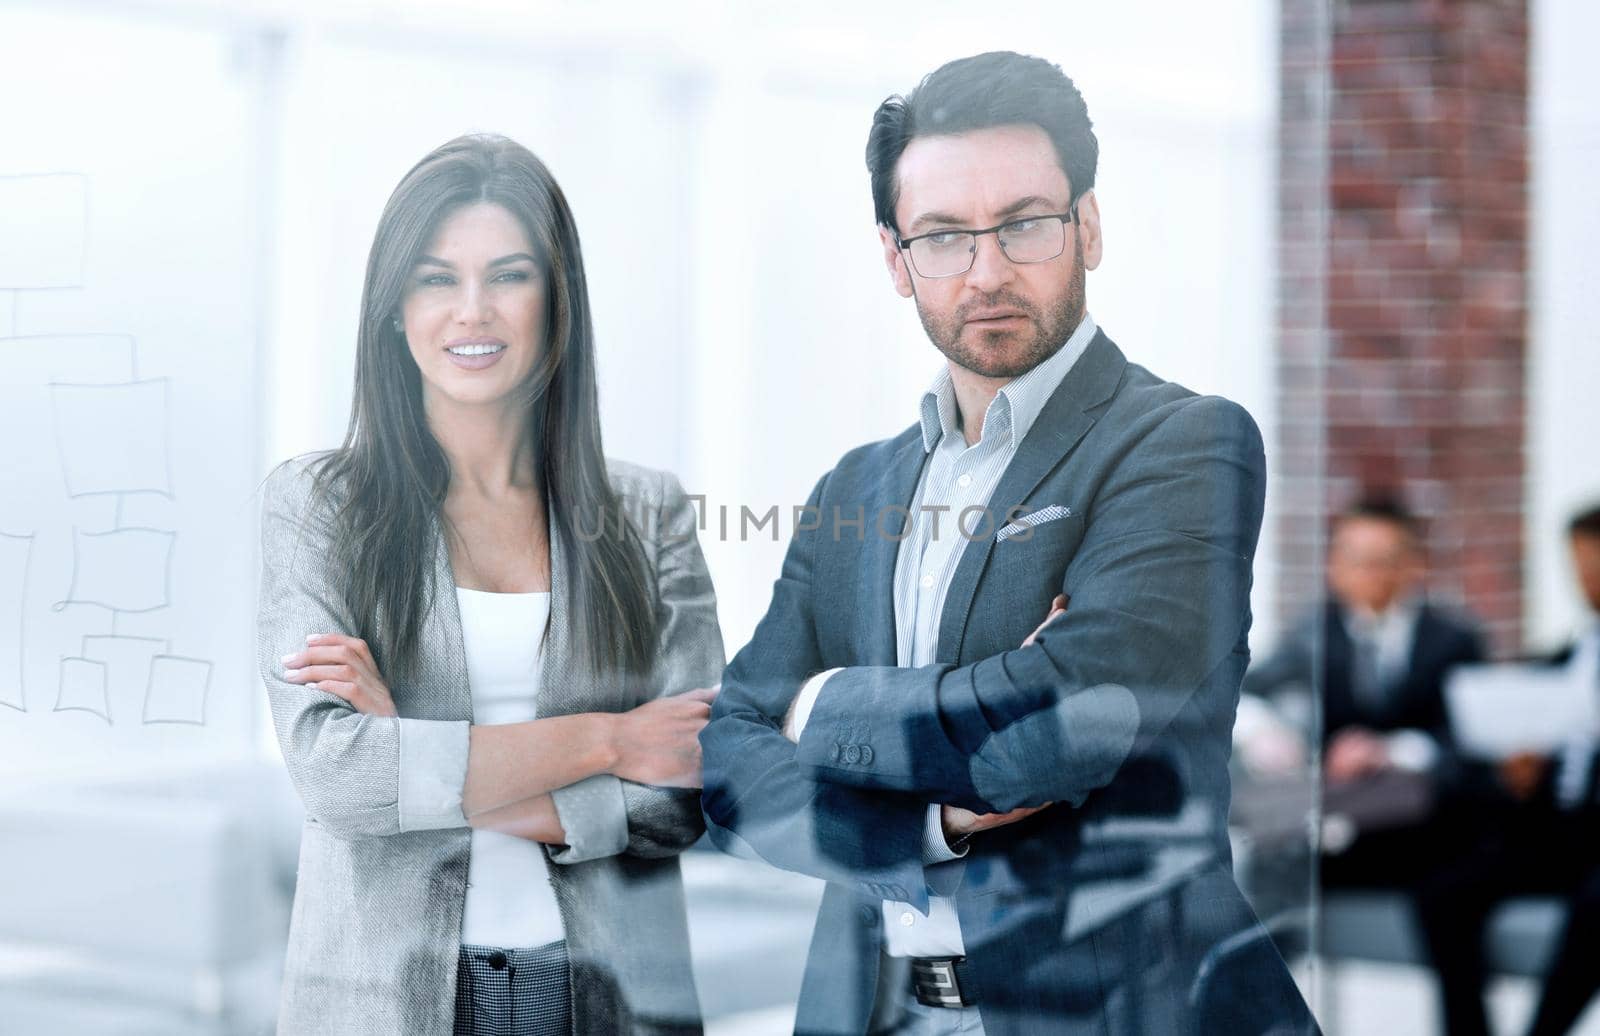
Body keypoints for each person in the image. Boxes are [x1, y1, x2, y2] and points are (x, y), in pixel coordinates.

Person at [699, 52, 1315, 1035]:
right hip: (872, 1009)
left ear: (1089, 227)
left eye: (1024, 223)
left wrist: (813, 706)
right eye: (942, 236)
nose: (986, 272)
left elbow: (1067, 725)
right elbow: (724, 754)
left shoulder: (1186, 445)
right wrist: (922, 821)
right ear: (897, 261)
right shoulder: (853, 486)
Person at [257, 134, 722, 1036]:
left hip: (607, 997)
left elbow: (686, 792)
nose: (473, 312)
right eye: (436, 279)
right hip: (380, 1002)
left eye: (508, 276)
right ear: (394, 306)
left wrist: (409, 749)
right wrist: (610, 738)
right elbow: (338, 780)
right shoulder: (316, 506)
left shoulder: (645, 511)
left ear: (557, 300)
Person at [1415, 502, 1600, 1036]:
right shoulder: (1573, 654)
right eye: (1579, 565)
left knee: (1597, 907)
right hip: (1562, 831)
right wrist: (1523, 767)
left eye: (1595, 564)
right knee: (1443, 895)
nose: (1585, 580)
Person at [1241, 498, 1487, 879]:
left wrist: (1388, 752)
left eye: (1383, 560)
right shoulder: (1313, 633)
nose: (1369, 573)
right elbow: (1251, 691)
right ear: (1333, 566)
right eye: (1354, 559)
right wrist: (1268, 733)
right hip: (1335, 802)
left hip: (1421, 818)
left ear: (1412, 565)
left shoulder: (1452, 640)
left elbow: (1467, 741)